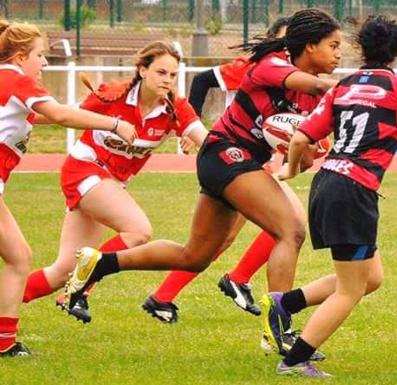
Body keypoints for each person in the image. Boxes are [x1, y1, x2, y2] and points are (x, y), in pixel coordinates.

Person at [63, 8, 342, 353]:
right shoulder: (273, 64)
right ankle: (278, 328)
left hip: (234, 161)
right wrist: (351, 88)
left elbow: (303, 153)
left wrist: (305, 150)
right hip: (225, 154)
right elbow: (314, 83)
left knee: (193, 256)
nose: (339, 54)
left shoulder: (311, 97)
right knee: (290, 230)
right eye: (334, 45)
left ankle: (100, 263)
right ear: (311, 46)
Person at [261, 15, 397, 377]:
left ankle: (284, 304)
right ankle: (294, 360)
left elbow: (301, 137)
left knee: (372, 278)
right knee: (350, 290)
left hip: (328, 183)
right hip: (353, 191)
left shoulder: (343, 86)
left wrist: (290, 169)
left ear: (360, 47)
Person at [21, 41, 207, 324]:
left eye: (172, 75)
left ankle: (8, 301)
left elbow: (204, 138)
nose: (168, 80)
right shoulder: (115, 95)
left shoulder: (175, 108)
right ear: (142, 70)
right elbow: (69, 114)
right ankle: (82, 289)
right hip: (84, 170)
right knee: (138, 230)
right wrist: (19, 115)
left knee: (63, 272)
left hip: (111, 184)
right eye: (161, 72)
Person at [143, 16, 294, 322]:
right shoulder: (258, 67)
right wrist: (190, 129)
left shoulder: (297, 78)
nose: (291, 48)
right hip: (232, 157)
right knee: (284, 224)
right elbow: (202, 80)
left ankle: (168, 295)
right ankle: (233, 282)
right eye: (286, 40)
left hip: (253, 160)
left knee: (271, 229)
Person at [0, 20, 136, 355]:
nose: (44, 63)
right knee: (19, 258)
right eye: (40, 56)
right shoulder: (15, 78)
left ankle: (5, 343)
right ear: (20, 57)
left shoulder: (8, 79)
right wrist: (115, 123)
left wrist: (96, 109)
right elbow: (60, 115)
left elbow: (48, 115)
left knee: (19, 257)